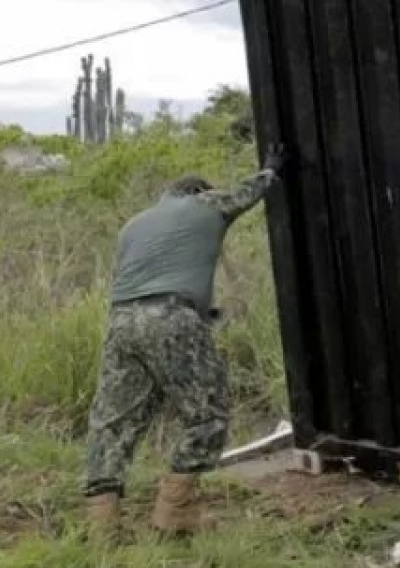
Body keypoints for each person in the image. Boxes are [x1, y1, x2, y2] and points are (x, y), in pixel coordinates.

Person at [83, 146, 285, 536]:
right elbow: (243, 194)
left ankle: (101, 521)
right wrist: (271, 171)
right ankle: (175, 510)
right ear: (198, 192)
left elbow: (152, 274)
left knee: (113, 420)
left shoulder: (134, 224)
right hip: (172, 316)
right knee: (208, 414)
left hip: (122, 321)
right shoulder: (203, 205)